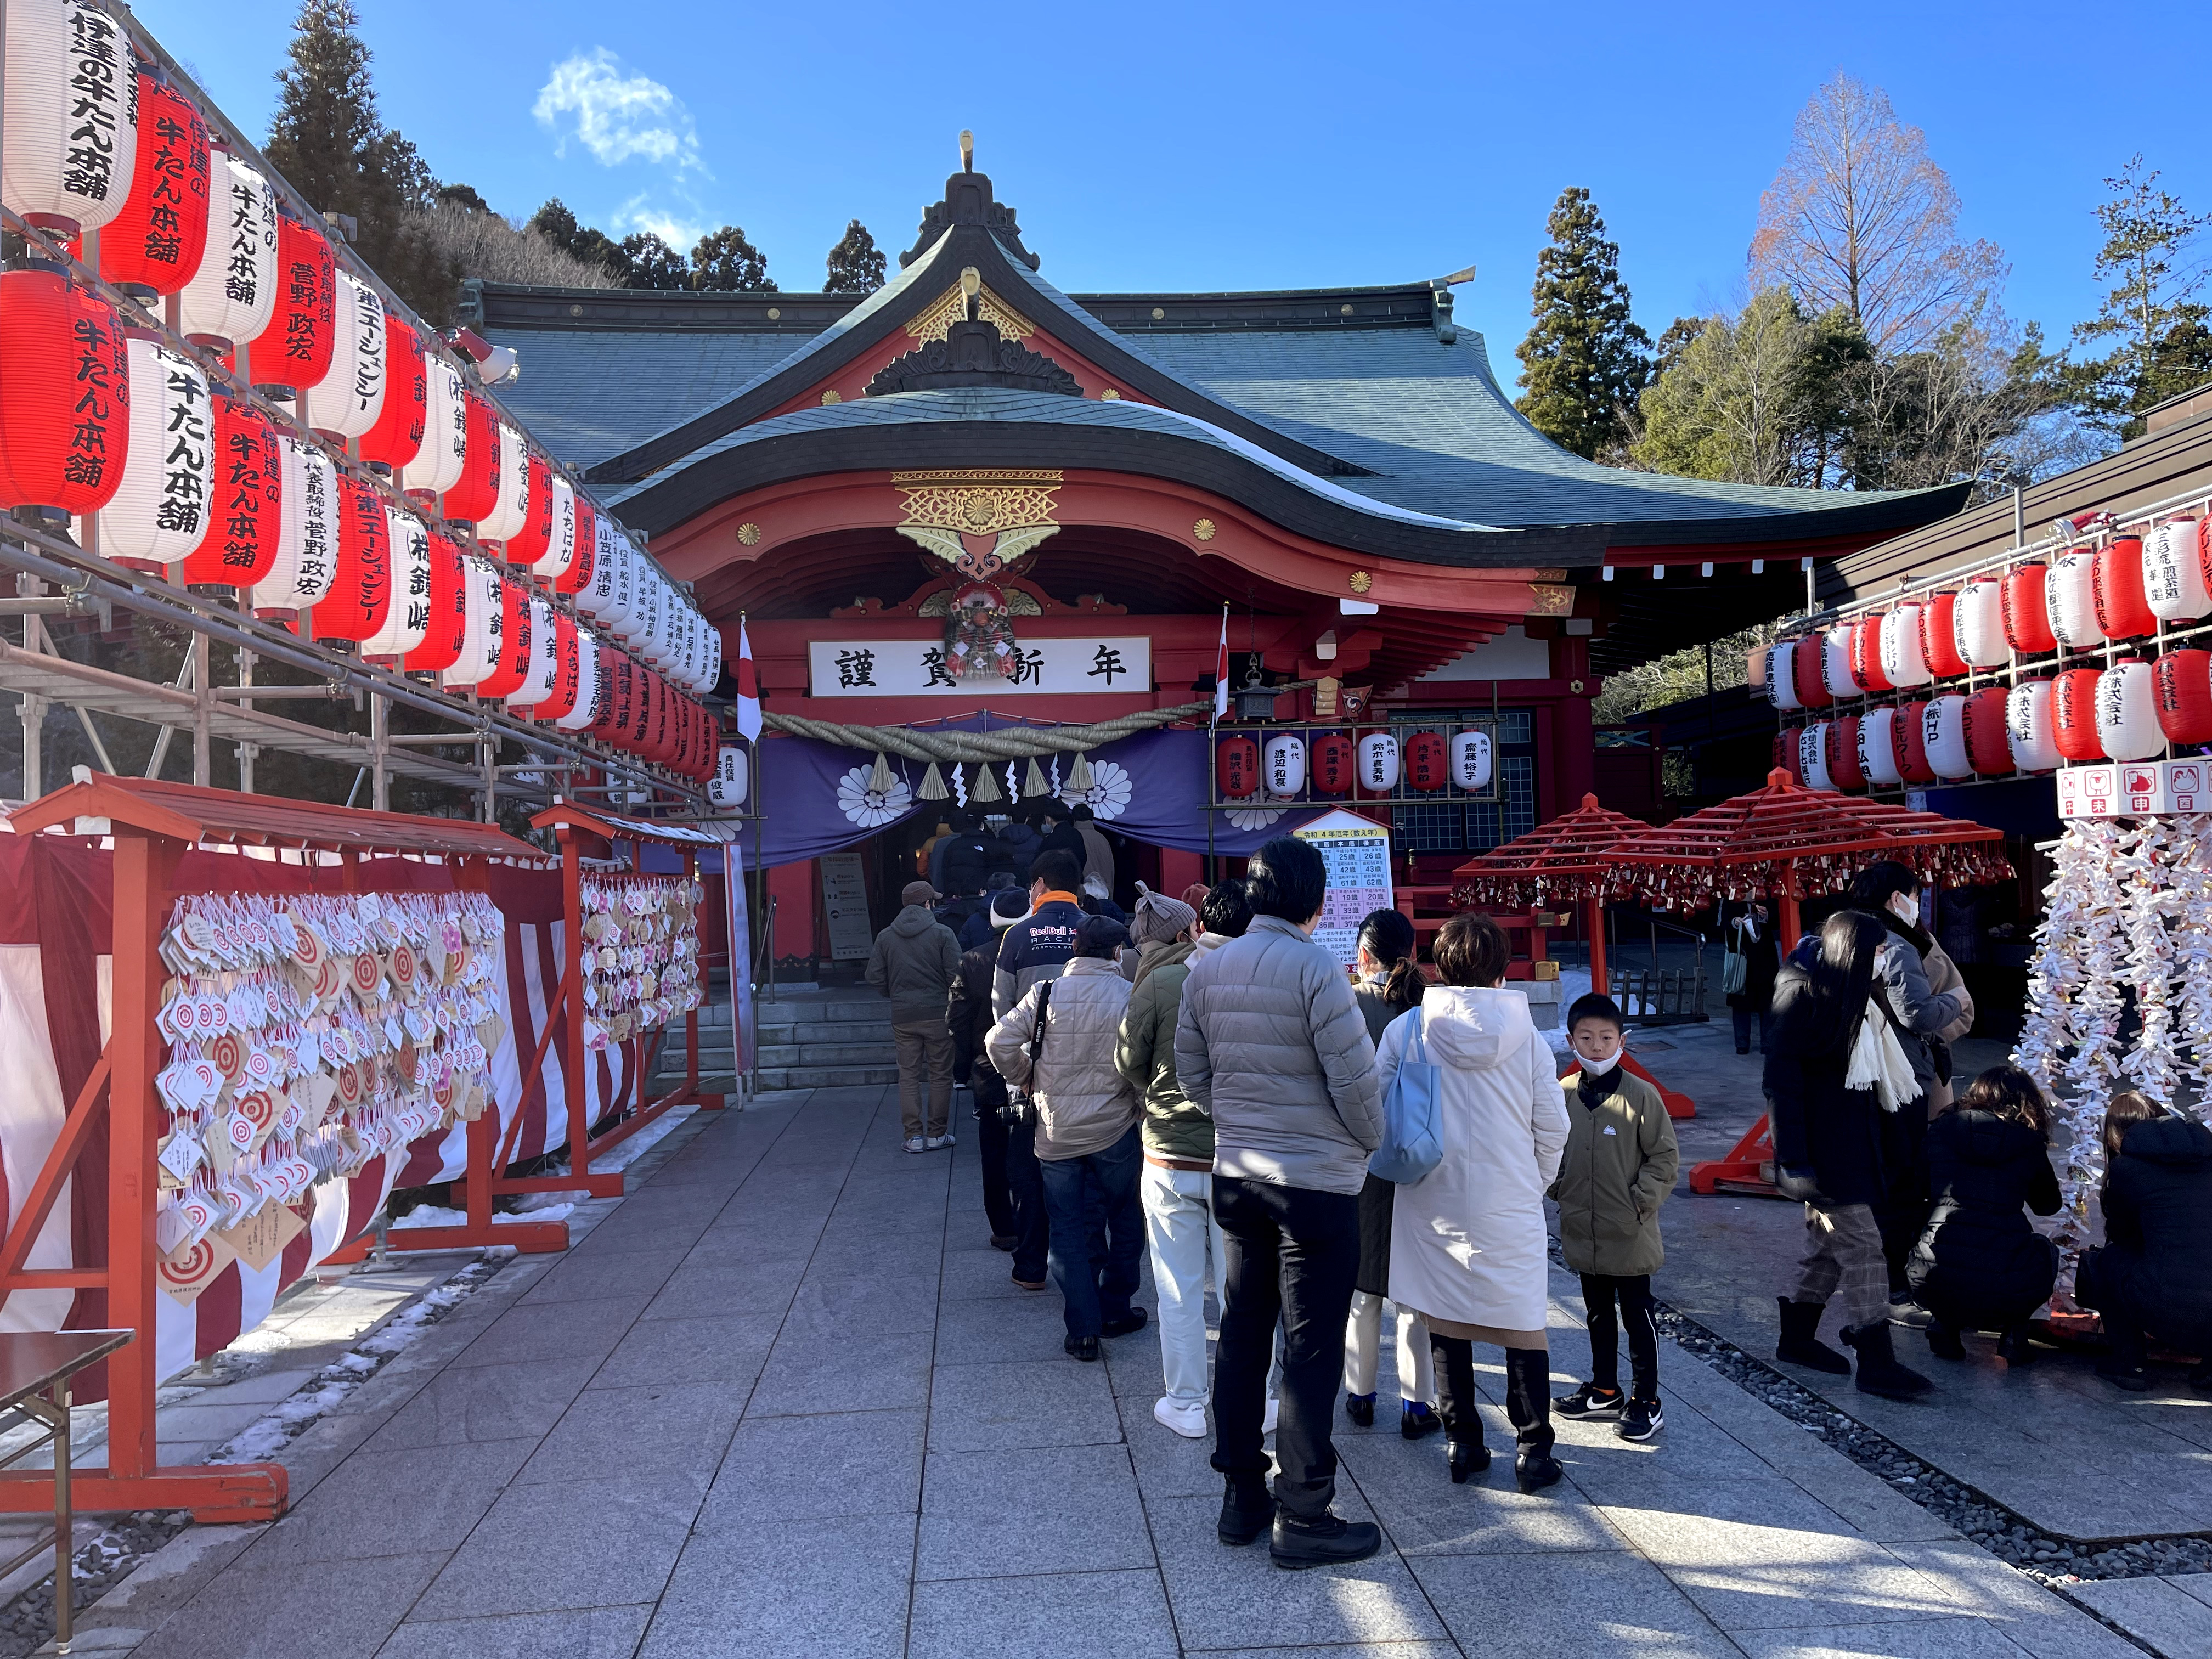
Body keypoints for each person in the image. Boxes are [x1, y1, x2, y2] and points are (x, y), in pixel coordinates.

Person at [1176, 835, 1386, 1568]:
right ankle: (1304, 1510)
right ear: (1316, 902)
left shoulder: (1207, 969)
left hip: (1240, 1176)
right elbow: (1358, 1085)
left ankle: (1241, 1495)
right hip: (1316, 1186)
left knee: (1241, 1331)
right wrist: (1366, 1144)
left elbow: (1190, 1073)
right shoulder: (1317, 972)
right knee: (1310, 1346)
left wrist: (1237, 1119)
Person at [1379, 911, 1571, 1492]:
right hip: (1507, 1194)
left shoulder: (1408, 1029)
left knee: (1446, 1318)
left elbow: (1376, 1108)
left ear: (1439, 965)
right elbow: (1553, 1126)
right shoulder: (1529, 1041)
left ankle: (1464, 1441)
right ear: (1500, 969)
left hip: (1430, 1190)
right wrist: (1530, 1183)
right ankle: (1533, 1449)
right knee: (1520, 1321)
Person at [1766, 910, 1936, 1400]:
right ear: (1855, 950)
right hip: (1821, 1152)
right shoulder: (1800, 992)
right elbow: (1782, 1082)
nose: (1885, 958)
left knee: (1826, 1249)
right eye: (1880, 950)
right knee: (1863, 1247)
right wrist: (1793, 1160)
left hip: (1854, 1144)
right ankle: (1877, 1360)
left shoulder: (1855, 992)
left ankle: (1795, 1339)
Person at [989, 915, 1148, 1362]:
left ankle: (1082, 1329)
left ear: (1074, 950)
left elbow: (998, 1041)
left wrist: (1026, 1077)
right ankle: (1115, 1306)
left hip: (1055, 1131)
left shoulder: (1046, 994)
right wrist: (1137, 1102)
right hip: (1114, 1128)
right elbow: (1140, 1061)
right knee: (1125, 1216)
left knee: (1067, 1229)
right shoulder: (1129, 995)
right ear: (1117, 953)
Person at [1549, 992, 1678, 1443]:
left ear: (1622, 1039)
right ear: (1571, 1041)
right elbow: (1545, 1151)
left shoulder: (1642, 1096)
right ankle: (1605, 1389)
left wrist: (1639, 1202)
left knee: (1638, 1315)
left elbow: (1664, 1157)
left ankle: (1648, 1399)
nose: (1597, 1046)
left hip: (1630, 1230)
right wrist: (1557, 1189)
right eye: (1587, 1037)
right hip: (1582, 1227)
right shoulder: (1561, 1094)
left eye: (1606, 1037)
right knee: (1598, 1313)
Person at [1117, 881, 1221, 1435]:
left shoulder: (1152, 983)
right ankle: (1262, 1396)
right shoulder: (1217, 973)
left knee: (1178, 1289)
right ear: (1188, 932)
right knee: (1242, 1287)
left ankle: (1185, 1404)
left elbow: (1128, 1061)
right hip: (1229, 1153)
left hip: (1167, 1152)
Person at [1844, 862, 1971, 1297]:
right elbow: (1917, 1013)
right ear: (1897, 898)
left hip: (1862, 1070)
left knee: (1877, 1171)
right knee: (1904, 1175)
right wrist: (1955, 1001)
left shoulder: (1842, 935)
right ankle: (1896, 1278)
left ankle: (1871, 1271)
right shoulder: (1894, 943)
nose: (1916, 905)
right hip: (1901, 1073)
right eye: (1914, 896)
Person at [1341, 908, 1439, 1441]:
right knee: (1413, 1289)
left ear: (1363, 954)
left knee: (1363, 1286)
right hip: (1421, 1156)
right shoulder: (1428, 1008)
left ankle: (1359, 1394)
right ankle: (1417, 1405)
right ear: (1414, 952)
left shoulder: (1347, 1005)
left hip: (1359, 1159)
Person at [1905, 1066, 2059, 1365]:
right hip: (2004, 1279)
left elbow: (1916, 1187)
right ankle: (2015, 1333)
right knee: (2044, 1250)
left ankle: (1944, 1322)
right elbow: (2047, 1206)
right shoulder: (2028, 1142)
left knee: (1940, 1241)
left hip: (1930, 1273)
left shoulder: (1942, 1130)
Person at [2075, 1091, 2212, 1393]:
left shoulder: (2129, 1170)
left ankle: (2129, 1364)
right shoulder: (2208, 1159)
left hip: (2168, 1306)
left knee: (2109, 1261)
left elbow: (2124, 1239)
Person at [949, 888, 1036, 1262]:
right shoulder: (1042, 954)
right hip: (1034, 1068)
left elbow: (957, 1019)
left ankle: (1004, 1228)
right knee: (1033, 1150)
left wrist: (966, 1062)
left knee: (995, 1150)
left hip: (989, 1071)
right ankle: (1035, 1221)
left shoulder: (973, 959)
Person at [866, 880, 962, 1154]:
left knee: (908, 1076)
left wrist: (893, 992)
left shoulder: (886, 936)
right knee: (941, 1075)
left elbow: (874, 976)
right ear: (928, 903)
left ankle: (913, 1137)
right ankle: (936, 1134)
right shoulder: (943, 933)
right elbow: (957, 973)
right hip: (937, 1014)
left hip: (903, 1015)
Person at [994, 850, 1086, 1018]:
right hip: (1089, 1040)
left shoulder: (1016, 934)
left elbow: (1001, 1000)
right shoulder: (1099, 929)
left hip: (1031, 1040)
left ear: (1040, 884)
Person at [1723, 900, 1780, 1056]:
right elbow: (1722, 923)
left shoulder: (1768, 898)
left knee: (1767, 1001)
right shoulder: (1731, 901)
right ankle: (1742, 1043)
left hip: (1765, 957)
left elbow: (1778, 922)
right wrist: (1735, 922)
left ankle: (1767, 1043)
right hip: (1742, 956)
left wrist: (1767, 916)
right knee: (1740, 1001)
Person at [958, 873, 1019, 951]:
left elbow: (962, 948)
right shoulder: (1023, 915)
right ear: (1012, 888)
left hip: (979, 961)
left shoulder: (973, 919)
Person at [1071, 803, 1115, 893]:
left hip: (1082, 893)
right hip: (1104, 891)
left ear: (1074, 819)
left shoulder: (1073, 837)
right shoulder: (1102, 838)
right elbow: (1110, 868)